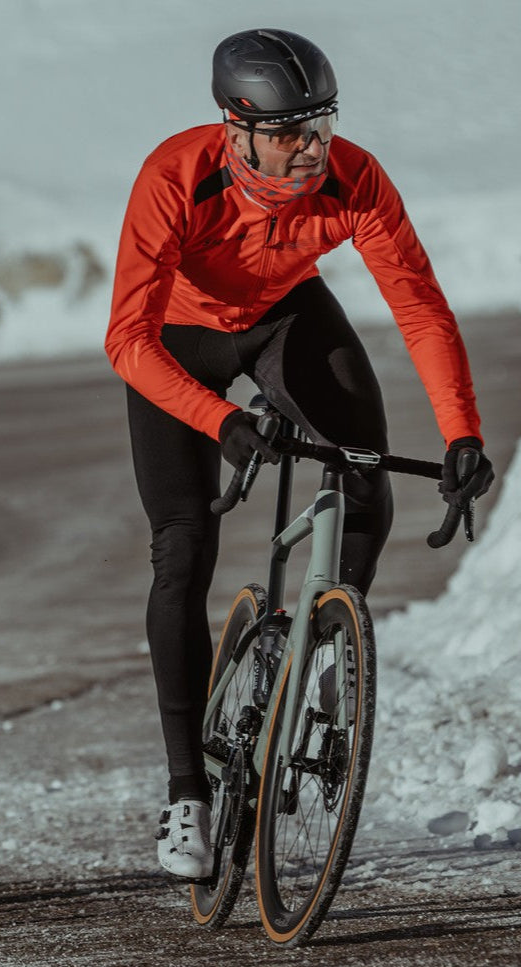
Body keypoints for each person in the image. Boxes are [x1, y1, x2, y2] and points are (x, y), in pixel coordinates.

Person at [104, 28, 494, 880]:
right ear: (237, 129)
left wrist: (461, 432)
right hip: (176, 342)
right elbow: (126, 340)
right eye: (289, 133)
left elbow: (419, 307)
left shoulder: (354, 178)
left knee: (366, 478)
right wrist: (220, 421)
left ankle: (319, 659)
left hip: (285, 316)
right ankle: (187, 794)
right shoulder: (175, 177)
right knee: (182, 549)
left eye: (321, 125)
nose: (311, 149)